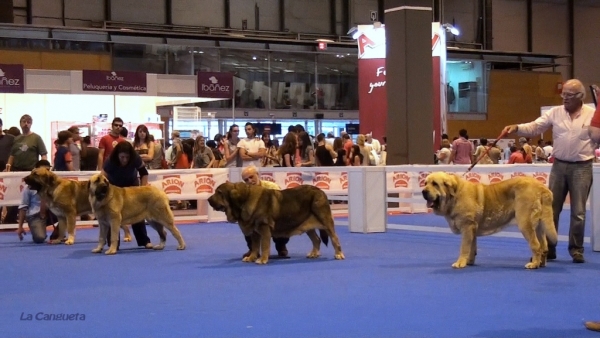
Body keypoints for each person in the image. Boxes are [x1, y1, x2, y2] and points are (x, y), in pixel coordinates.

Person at [502, 78, 594, 264]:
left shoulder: (592, 114)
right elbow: (535, 127)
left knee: (579, 212)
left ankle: (576, 250)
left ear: (580, 96)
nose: (565, 98)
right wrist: (517, 128)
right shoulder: (555, 112)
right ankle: (547, 249)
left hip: (582, 166)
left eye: (569, 95)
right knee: (550, 210)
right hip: (559, 166)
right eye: (563, 94)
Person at [102, 141, 153, 250]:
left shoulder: (136, 158)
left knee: (137, 213)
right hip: (114, 188)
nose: (125, 160)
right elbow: (103, 179)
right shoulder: (110, 161)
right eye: (122, 157)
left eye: (127, 157)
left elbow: (144, 173)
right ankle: (113, 244)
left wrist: (142, 189)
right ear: (117, 155)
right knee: (112, 216)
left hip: (131, 186)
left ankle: (144, 241)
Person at [240, 166, 289, 257]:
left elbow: (282, 205)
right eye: (246, 180)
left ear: (258, 175)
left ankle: (281, 246)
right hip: (256, 221)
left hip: (275, 219)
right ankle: (253, 249)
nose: (250, 181)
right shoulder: (244, 193)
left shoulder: (272, 187)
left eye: (251, 177)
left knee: (284, 221)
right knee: (245, 223)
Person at [16, 160, 55, 243]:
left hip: (51, 212)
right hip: (35, 215)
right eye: (43, 171)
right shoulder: (28, 188)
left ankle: (57, 233)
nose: (46, 173)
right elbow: (23, 207)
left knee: (67, 213)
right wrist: (20, 227)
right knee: (39, 238)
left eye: (48, 170)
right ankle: (36, 228)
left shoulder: (54, 184)